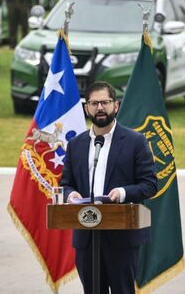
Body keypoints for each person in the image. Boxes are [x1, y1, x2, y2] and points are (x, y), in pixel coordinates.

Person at [60, 81, 158, 294]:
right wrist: (71, 194)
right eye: (94, 103)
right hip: (86, 236)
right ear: (87, 109)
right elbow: (65, 183)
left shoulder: (135, 141)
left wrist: (123, 193)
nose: (100, 108)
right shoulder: (76, 144)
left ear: (116, 105)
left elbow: (150, 185)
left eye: (105, 102)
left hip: (121, 237)